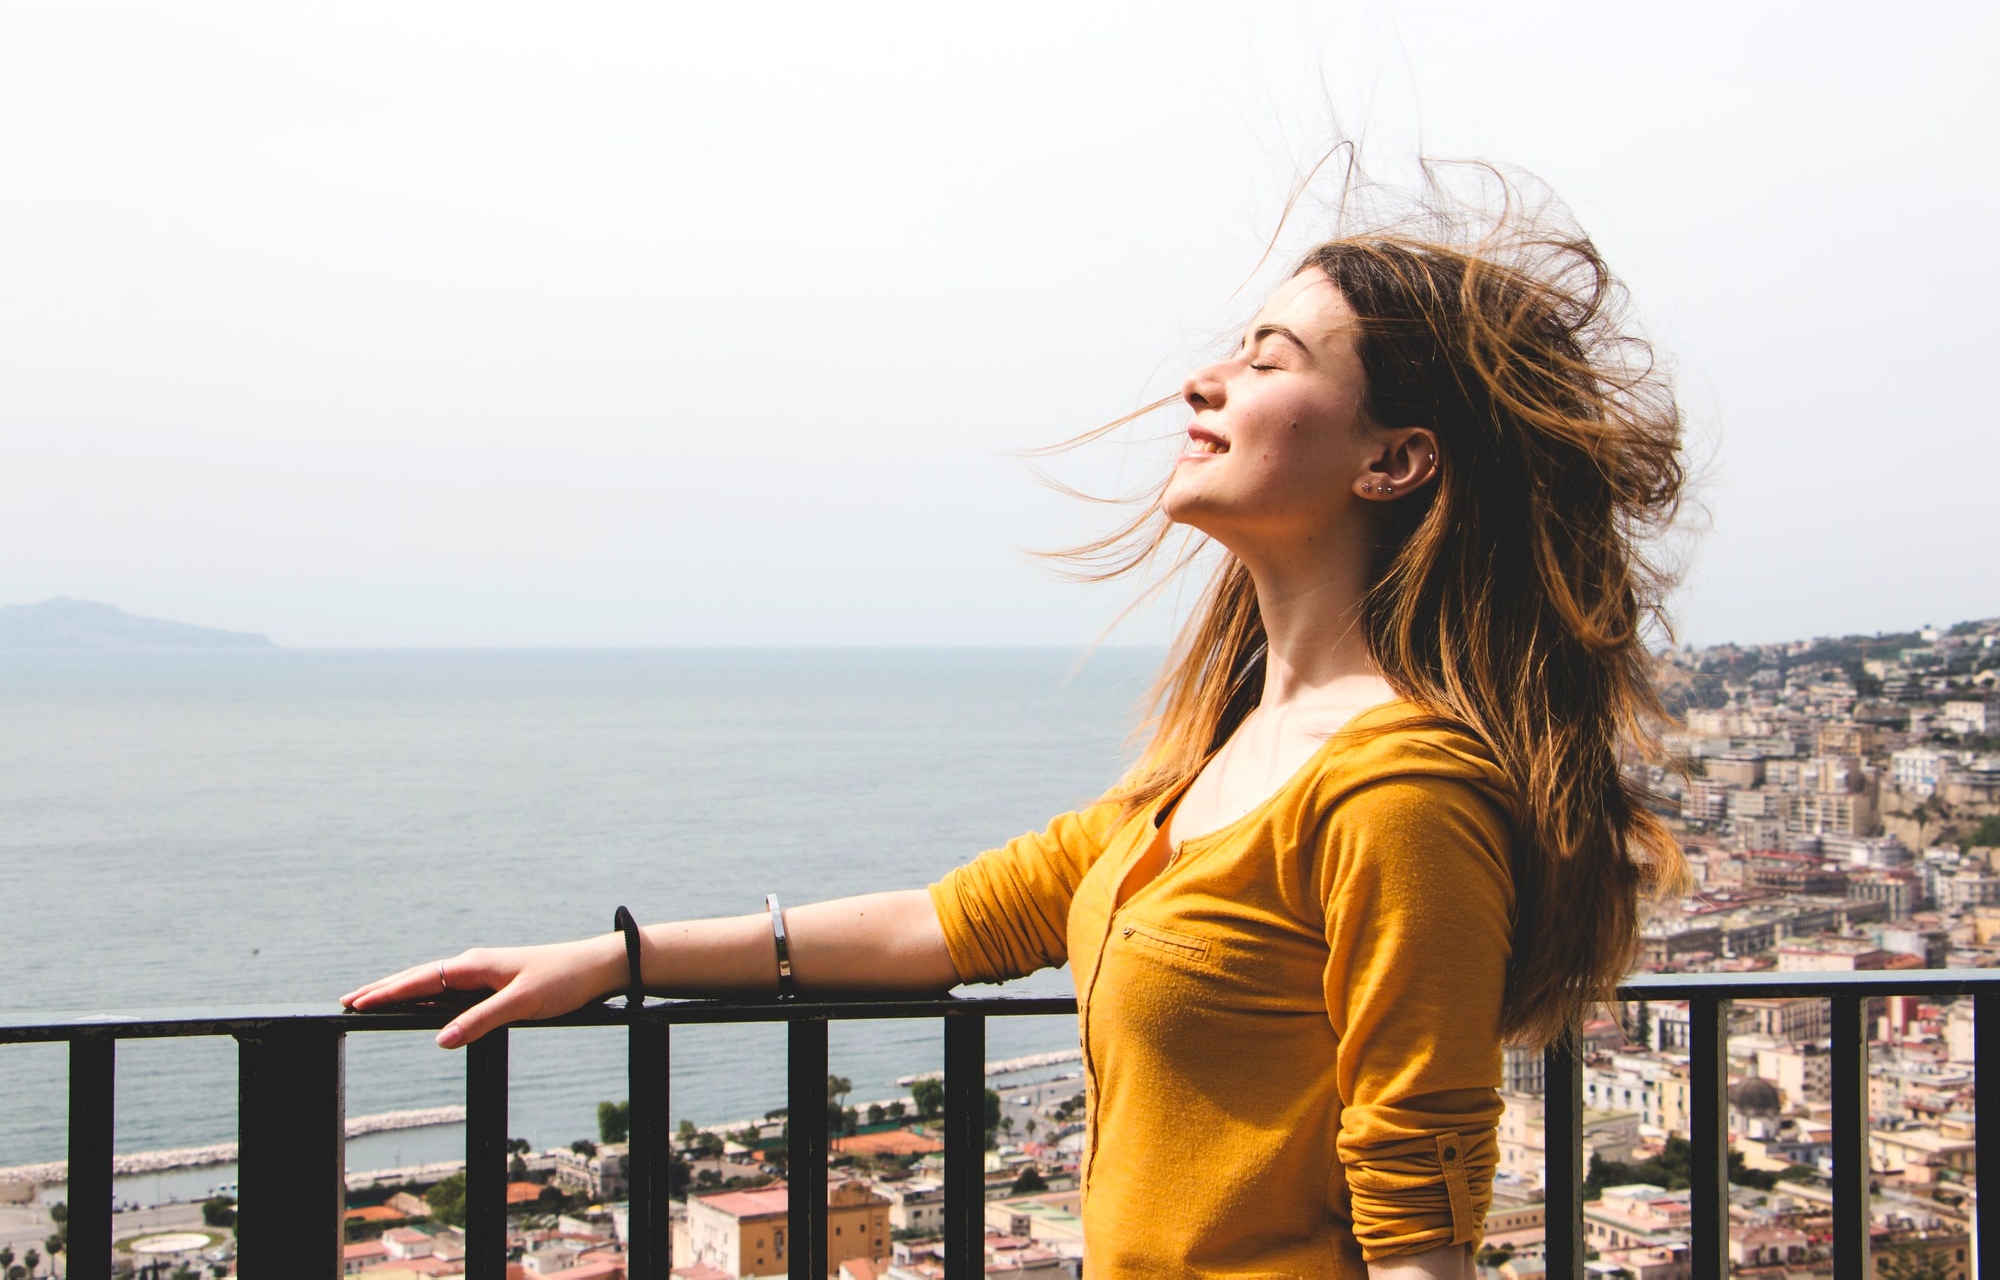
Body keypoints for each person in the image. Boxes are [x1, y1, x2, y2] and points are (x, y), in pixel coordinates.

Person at [344, 174, 1688, 1279]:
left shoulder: (1400, 790)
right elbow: (946, 923)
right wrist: (610, 956)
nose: (1202, 383)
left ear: (1395, 460)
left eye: (1268, 360)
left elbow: (1419, 1239)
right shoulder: (1216, 772)